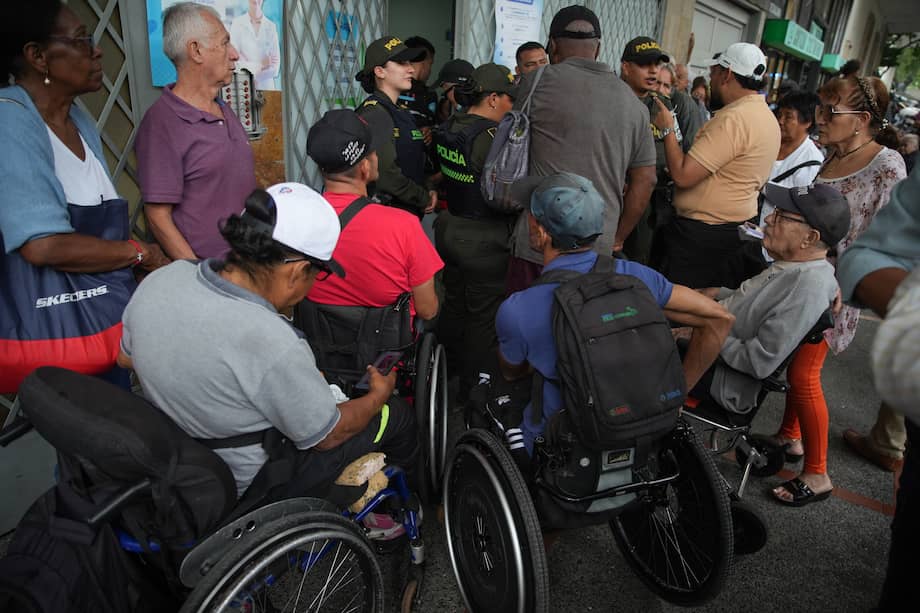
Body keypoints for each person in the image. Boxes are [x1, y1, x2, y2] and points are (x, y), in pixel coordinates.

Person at [118, 182, 418, 503]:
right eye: (318, 274)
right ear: (299, 271)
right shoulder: (271, 339)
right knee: (396, 415)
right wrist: (377, 395)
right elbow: (327, 436)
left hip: (175, 457)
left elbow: (126, 359)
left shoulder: (164, 278)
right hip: (251, 481)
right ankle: (410, 505)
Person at [497, 173, 734, 453]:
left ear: (541, 232)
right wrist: (679, 394)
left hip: (561, 440)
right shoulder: (638, 277)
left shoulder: (518, 308)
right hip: (639, 429)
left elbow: (512, 373)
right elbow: (720, 319)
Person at [0, 0, 168, 393]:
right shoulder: (10, 122)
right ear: (37, 56)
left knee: (110, 431)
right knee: (94, 436)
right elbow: (42, 246)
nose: (97, 50)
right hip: (55, 331)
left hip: (98, 319)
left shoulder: (78, 119)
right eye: (81, 40)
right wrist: (139, 254)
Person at [783, 75, 907, 480]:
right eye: (820, 107)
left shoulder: (887, 165)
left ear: (862, 119)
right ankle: (789, 435)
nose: (819, 118)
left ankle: (816, 473)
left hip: (836, 289)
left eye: (830, 110)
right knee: (794, 361)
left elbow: (889, 243)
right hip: (808, 276)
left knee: (804, 374)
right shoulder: (830, 155)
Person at [694, 184, 847, 507]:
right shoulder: (798, 269)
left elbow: (758, 359)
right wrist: (716, 295)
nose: (769, 220)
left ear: (810, 238)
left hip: (719, 376)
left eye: (781, 216)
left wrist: (697, 334)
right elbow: (754, 303)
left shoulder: (805, 284)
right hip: (714, 342)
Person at [506, 5, 656, 292]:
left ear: (551, 46)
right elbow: (646, 181)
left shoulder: (535, 83)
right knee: (580, 332)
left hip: (539, 244)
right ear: (598, 49)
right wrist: (616, 236)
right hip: (595, 249)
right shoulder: (635, 106)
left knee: (525, 326)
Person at [650, 42, 780, 289]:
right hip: (730, 233)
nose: (710, 80)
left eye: (714, 73)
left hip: (703, 240)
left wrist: (667, 127)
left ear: (727, 74)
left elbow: (683, 176)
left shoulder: (734, 119)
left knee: (680, 314)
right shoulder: (766, 117)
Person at [136, 2, 257, 260]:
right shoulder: (162, 123)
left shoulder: (223, 109)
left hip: (246, 269)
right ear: (196, 50)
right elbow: (158, 217)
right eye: (225, 43)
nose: (235, 54)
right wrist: (196, 277)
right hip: (207, 280)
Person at [305, 109, 442, 319]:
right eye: (375, 151)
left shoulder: (299, 220)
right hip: (386, 347)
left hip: (319, 344)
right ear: (365, 167)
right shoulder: (403, 226)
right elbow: (428, 310)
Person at [432, 63, 517, 396]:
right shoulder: (491, 138)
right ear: (493, 98)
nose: (513, 106)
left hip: (450, 228)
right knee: (482, 317)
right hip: (483, 238)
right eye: (510, 99)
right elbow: (505, 194)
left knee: (454, 306)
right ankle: (472, 391)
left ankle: (442, 373)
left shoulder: (451, 124)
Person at [355, 36, 437, 218]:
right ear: (380, 71)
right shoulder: (374, 114)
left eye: (410, 62)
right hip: (387, 217)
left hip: (405, 215)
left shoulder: (398, 111)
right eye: (401, 63)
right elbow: (385, 176)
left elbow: (412, 161)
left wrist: (427, 187)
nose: (411, 69)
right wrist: (422, 197)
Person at [753, 91, 825, 267]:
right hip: (746, 234)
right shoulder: (769, 142)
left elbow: (801, 206)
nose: (780, 121)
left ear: (807, 122)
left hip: (773, 251)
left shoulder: (812, 164)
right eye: (780, 114)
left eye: (788, 117)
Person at [229, 0, 280, 90]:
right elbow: (235, 63)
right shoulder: (237, 24)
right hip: (244, 88)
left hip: (267, 90)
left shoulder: (271, 27)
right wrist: (261, 65)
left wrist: (252, 76)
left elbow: (275, 68)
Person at [398, 36, 438, 130]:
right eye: (430, 63)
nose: (430, 70)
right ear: (424, 61)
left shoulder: (429, 95)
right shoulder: (395, 88)